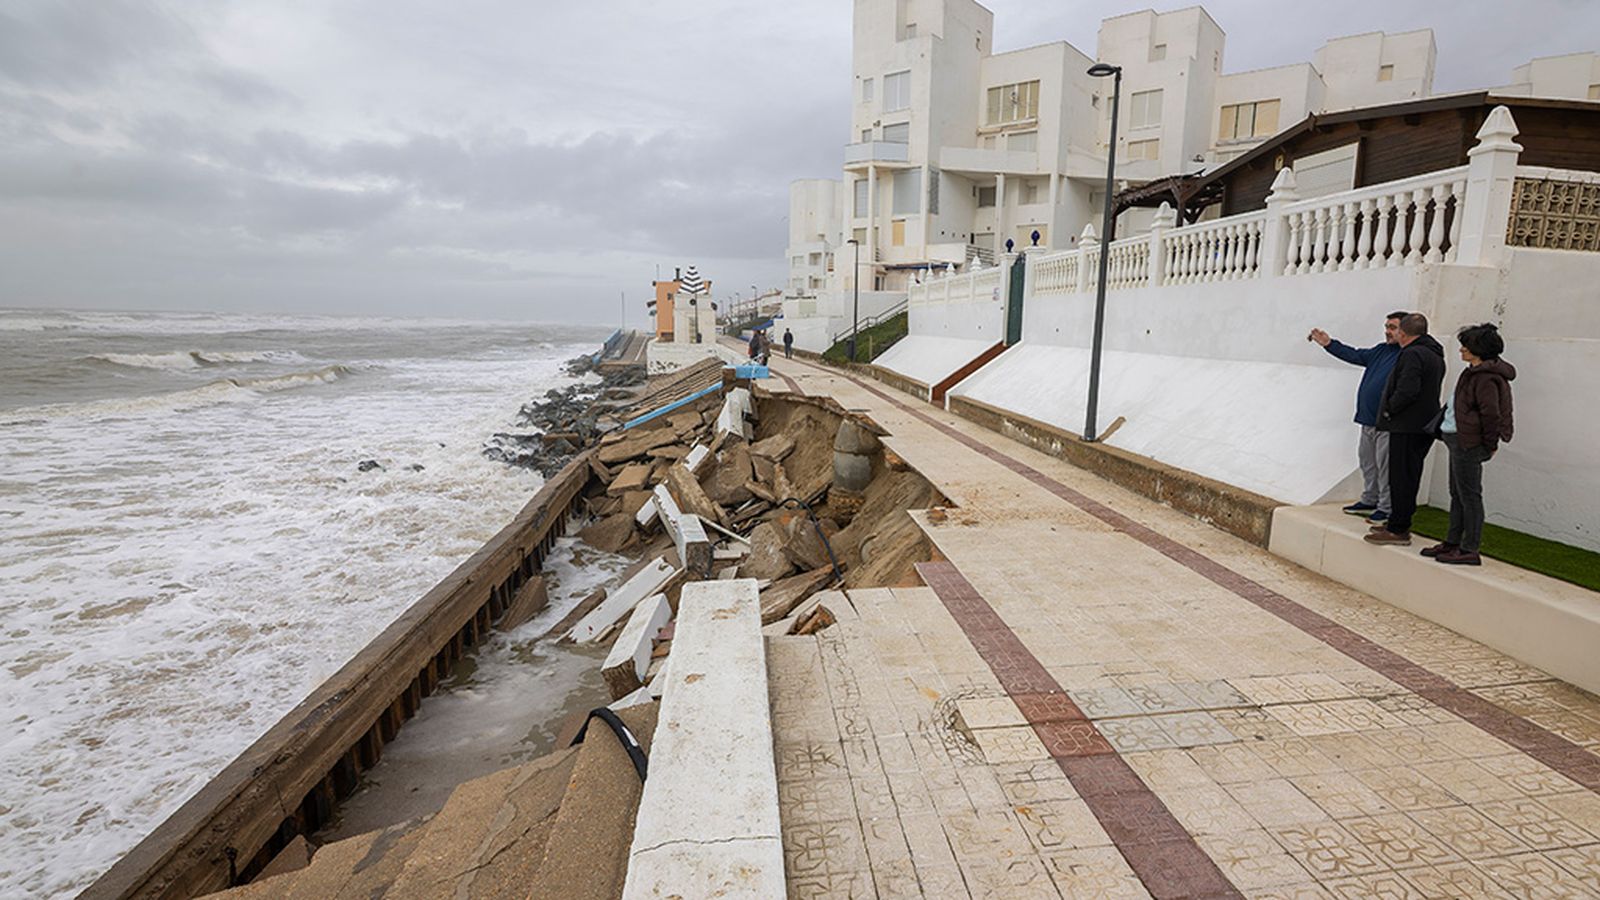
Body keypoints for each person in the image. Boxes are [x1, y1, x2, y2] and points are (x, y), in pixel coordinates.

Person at [1423, 324, 1515, 566]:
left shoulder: (1485, 378)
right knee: (1458, 493)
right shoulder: (1472, 372)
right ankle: (1453, 542)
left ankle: (1469, 548)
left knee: (1469, 496)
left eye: (1467, 345)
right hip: (1458, 438)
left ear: (1479, 349)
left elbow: (1491, 414)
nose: (1462, 349)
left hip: (1469, 442)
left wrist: (1490, 443)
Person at [1308, 311, 1407, 524]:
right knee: (1367, 462)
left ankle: (1386, 507)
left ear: (1404, 330)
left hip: (1388, 423)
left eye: (1392, 327)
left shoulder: (1407, 355)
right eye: (1387, 326)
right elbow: (1355, 355)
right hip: (1368, 419)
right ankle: (1370, 498)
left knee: (1386, 466)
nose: (1387, 331)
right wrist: (1329, 344)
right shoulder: (1381, 351)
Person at [1366, 313, 1445, 546]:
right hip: (1421, 425)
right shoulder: (1434, 354)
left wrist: (1389, 410)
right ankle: (1397, 523)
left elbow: (1408, 390)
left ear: (1403, 332)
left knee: (1401, 477)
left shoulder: (1412, 354)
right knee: (1408, 475)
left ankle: (1398, 528)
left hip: (1407, 425)